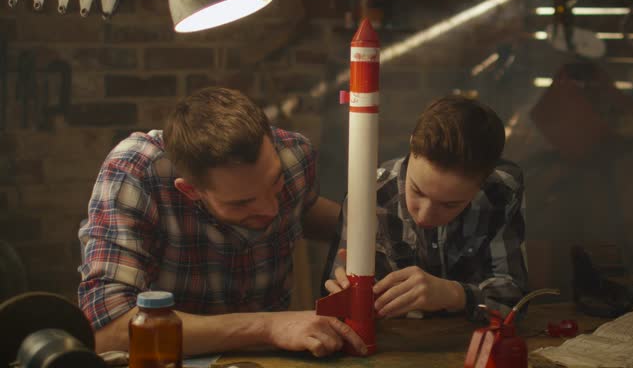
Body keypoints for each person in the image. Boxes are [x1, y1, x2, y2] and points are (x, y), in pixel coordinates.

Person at [78, 87, 367, 357]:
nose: (270, 209)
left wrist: (374, 234)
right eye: (242, 202)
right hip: (173, 358)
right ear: (190, 190)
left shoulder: (293, 155)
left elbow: (306, 211)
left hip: (266, 358)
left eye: (275, 182)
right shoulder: (136, 172)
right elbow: (107, 330)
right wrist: (269, 326)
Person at [325, 95, 528, 321]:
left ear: (484, 180)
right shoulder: (368, 194)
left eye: (450, 204)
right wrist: (346, 296)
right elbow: (331, 302)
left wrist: (454, 294)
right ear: (412, 145)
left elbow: (514, 304)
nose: (424, 215)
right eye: (418, 191)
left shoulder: (500, 191)